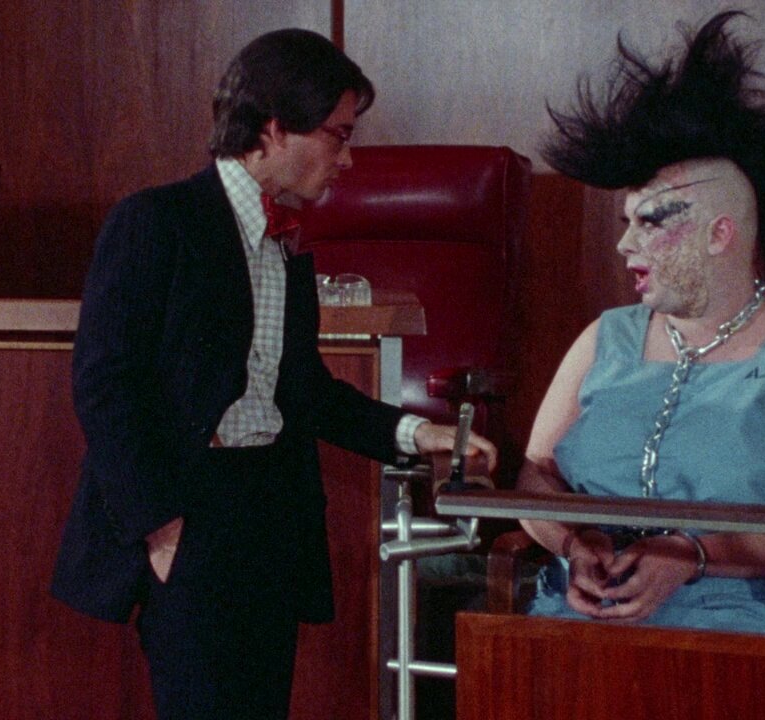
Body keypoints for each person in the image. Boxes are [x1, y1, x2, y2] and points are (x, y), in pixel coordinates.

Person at [49, 28, 496, 720]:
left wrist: (416, 434)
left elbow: (303, 391)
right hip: (191, 514)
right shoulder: (156, 221)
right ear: (275, 127)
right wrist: (160, 527)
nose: (348, 159)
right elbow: (104, 387)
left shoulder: (282, 241)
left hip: (269, 515)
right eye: (337, 135)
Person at [516, 11, 765, 637]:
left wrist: (695, 555)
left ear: (721, 234)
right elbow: (536, 474)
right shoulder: (603, 337)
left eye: (651, 222)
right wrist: (574, 542)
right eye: (626, 223)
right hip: (581, 621)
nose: (625, 245)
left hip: (744, 628)